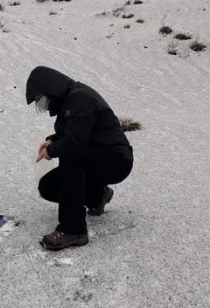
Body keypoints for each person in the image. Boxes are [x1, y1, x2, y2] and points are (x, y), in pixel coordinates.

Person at [25, 65, 134, 250]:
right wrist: (51, 140)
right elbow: (74, 131)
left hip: (116, 160)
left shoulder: (81, 98)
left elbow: (76, 139)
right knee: (48, 187)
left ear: (49, 88)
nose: (40, 104)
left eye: (39, 98)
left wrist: (52, 152)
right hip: (94, 158)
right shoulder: (68, 102)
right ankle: (97, 196)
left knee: (71, 155)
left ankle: (73, 230)